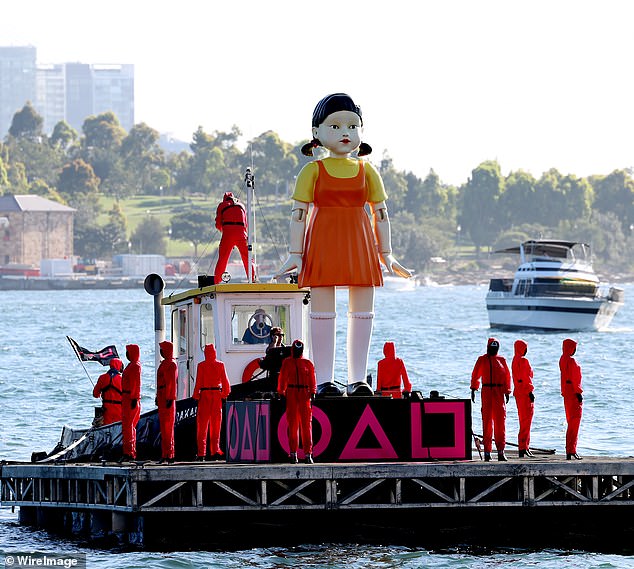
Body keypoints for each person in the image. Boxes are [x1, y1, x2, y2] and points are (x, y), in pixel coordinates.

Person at [275, 93, 411, 397]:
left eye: (352, 126)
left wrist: (386, 253)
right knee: (323, 307)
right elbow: (299, 214)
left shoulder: (368, 171)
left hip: (361, 243)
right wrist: (295, 254)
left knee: (362, 307)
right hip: (322, 241)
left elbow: (381, 213)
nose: (345, 133)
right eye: (334, 127)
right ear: (317, 134)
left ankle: (357, 378)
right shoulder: (312, 171)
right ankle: (323, 380)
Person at [470, 338, 511, 462]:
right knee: (487, 422)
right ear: (488, 347)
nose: (493, 350)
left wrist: (507, 391)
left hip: (499, 392)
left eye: (495, 348)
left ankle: (501, 451)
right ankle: (487, 452)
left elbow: (507, 376)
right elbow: (475, 374)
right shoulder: (482, 360)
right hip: (487, 391)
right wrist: (473, 388)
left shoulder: (502, 360)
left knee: (500, 422)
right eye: (491, 347)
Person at [277, 339, 317, 464]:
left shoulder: (308, 363)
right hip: (292, 394)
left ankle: (308, 454)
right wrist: (281, 391)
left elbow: (312, 378)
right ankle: (293, 453)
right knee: (293, 425)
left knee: (306, 426)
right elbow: (282, 378)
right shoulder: (287, 362)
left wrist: (313, 391)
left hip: (304, 395)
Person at [193, 344, 231, 461]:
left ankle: (201, 454)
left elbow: (198, 383)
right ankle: (214, 452)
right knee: (216, 426)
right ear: (214, 353)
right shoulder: (220, 365)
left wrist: (196, 396)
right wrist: (223, 395)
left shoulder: (201, 366)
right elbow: (226, 384)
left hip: (204, 396)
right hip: (216, 396)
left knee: (202, 427)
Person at [214, 191, 255, 284]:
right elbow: (246, 223)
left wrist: (223, 230)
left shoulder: (222, 205)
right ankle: (252, 280)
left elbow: (218, 224)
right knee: (248, 258)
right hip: (242, 233)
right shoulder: (242, 205)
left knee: (223, 258)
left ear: (225, 199)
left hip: (228, 233)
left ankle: (217, 282)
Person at [560, 338, 583, 460]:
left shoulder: (562, 359)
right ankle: (571, 450)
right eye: (574, 348)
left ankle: (569, 450)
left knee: (571, 421)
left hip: (566, 393)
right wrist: (578, 392)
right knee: (575, 422)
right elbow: (575, 377)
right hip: (573, 394)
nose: (575, 350)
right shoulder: (572, 360)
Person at [512, 339, 535, 458]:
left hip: (518, 393)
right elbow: (526, 377)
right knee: (527, 420)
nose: (526, 350)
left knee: (523, 420)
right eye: (525, 348)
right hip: (525, 393)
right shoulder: (523, 360)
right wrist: (530, 391)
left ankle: (524, 447)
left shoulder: (515, 360)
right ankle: (523, 447)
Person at [155, 340, 177, 464]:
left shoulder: (171, 364)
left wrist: (170, 397)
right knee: (164, 428)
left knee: (168, 428)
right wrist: (158, 397)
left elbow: (172, 383)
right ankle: (165, 454)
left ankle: (170, 455)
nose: (161, 352)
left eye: (162, 349)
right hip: (163, 397)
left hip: (167, 398)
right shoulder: (165, 363)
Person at [121, 344, 142, 462]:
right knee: (128, 427)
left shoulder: (135, 366)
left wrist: (134, 398)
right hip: (127, 398)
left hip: (130, 398)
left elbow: (136, 383)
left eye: (128, 352)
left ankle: (129, 452)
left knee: (129, 427)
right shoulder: (131, 365)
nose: (127, 354)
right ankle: (128, 451)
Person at [92, 358, 123, 425]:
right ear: (120, 366)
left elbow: (95, 394)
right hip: (120, 411)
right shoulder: (122, 379)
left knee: (106, 427)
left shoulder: (102, 377)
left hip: (106, 411)